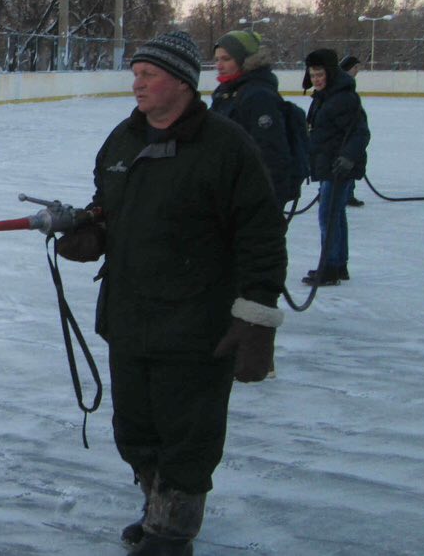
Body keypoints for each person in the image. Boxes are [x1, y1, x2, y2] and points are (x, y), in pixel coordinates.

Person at [56, 31, 288, 555]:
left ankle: (174, 530)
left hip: (196, 321)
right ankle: (156, 507)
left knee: (188, 432)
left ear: (181, 83)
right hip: (128, 314)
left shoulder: (226, 148)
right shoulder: (122, 140)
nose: (135, 84)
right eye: (135, 74)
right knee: (135, 428)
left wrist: (256, 315)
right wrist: (94, 230)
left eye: (148, 75)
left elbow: (261, 234)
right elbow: (109, 203)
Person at [301, 49, 370, 286]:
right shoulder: (325, 96)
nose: (316, 79)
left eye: (320, 74)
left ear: (330, 73)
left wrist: (348, 158)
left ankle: (330, 267)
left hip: (339, 166)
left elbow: (360, 132)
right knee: (335, 214)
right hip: (330, 163)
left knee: (327, 215)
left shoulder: (342, 98)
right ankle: (338, 265)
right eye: (312, 74)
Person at [211, 30, 299, 209]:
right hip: (228, 191)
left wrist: (266, 204)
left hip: (251, 197)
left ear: (245, 60)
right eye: (217, 59)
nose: (219, 65)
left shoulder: (258, 96)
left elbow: (272, 153)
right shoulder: (225, 92)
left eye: (226, 59)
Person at [339, 55, 366, 207]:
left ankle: (347, 193)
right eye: (355, 68)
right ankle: (346, 194)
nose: (357, 71)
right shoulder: (342, 84)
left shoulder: (346, 84)